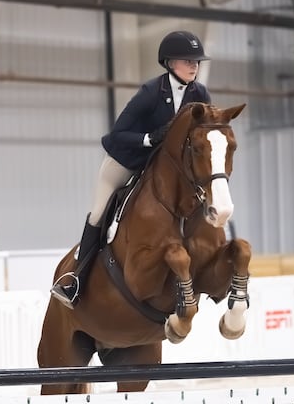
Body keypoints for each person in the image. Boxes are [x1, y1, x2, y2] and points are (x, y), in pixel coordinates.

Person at [51, 30, 212, 309]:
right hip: (128, 160)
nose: (194, 66)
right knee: (100, 213)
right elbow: (118, 133)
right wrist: (149, 138)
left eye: (196, 61)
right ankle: (75, 280)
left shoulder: (200, 94)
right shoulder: (151, 92)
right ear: (170, 62)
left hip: (166, 168)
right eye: (188, 60)